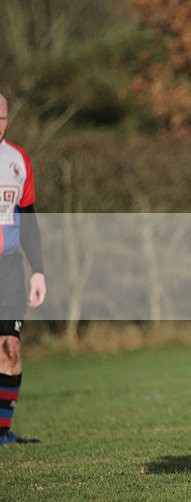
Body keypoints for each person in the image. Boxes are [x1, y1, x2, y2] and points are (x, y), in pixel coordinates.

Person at [0, 93, 47, 446]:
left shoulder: (18, 160)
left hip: (9, 269)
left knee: (10, 349)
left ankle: (3, 432)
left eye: (1, 118)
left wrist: (38, 270)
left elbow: (28, 218)